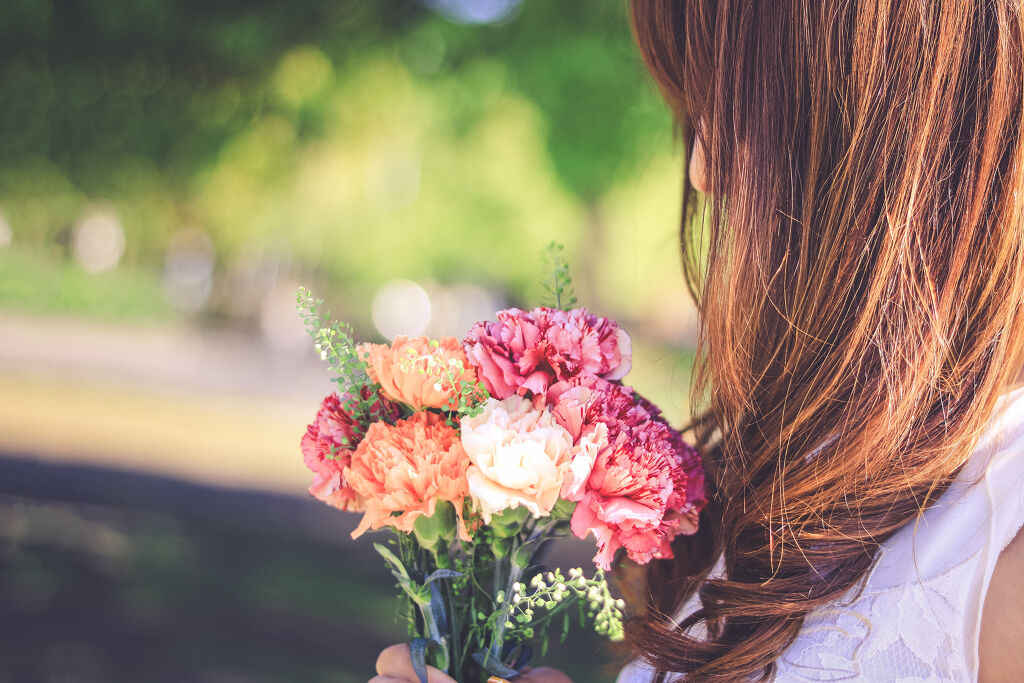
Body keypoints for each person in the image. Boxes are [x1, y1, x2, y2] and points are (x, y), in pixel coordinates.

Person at [373, 0, 1024, 680]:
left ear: (896, 122)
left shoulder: (1005, 538)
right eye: (699, 107)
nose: (702, 169)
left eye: (741, 108)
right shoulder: (791, 477)